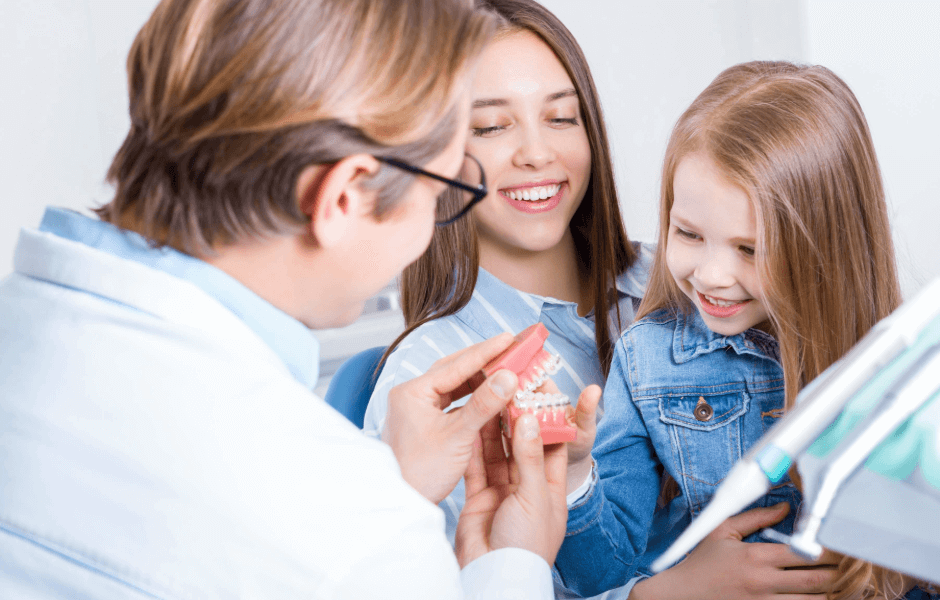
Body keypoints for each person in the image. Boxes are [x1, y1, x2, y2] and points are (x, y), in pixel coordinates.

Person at [0, 1, 570, 598]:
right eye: (445, 188)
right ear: (344, 198)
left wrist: (383, 486)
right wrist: (509, 570)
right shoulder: (359, 542)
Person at [363, 3, 843, 599]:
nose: (536, 153)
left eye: (562, 118)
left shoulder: (695, 282)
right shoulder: (427, 387)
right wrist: (660, 594)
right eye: (490, 127)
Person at [556, 61, 940, 600]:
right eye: (688, 234)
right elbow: (600, 574)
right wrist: (576, 479)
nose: (711, 276)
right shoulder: (647, 360)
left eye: (750, 249)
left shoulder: (906, 356)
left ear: (825, 245)